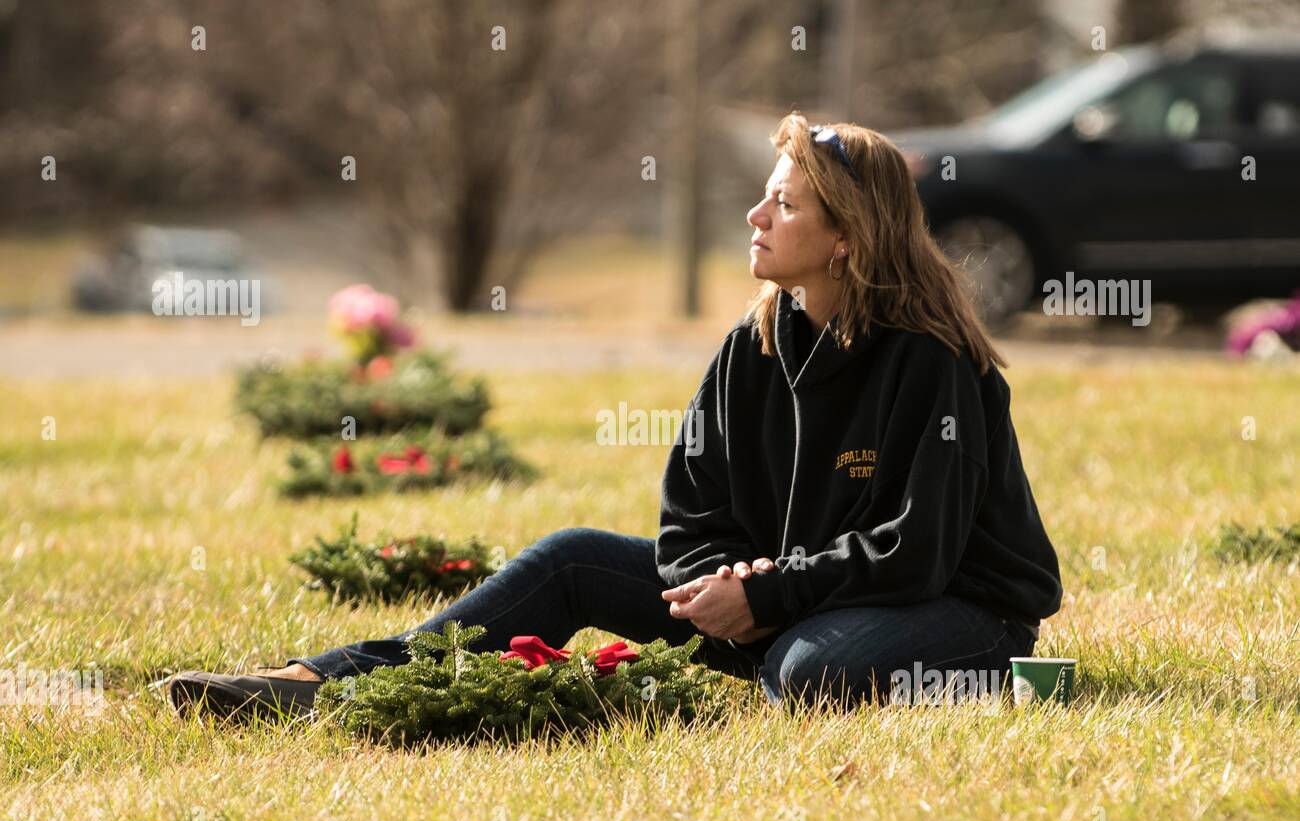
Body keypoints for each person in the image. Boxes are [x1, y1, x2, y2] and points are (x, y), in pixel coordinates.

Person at [168, 111, 1062, 719]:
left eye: (783, 205)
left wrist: (764, 596)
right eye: (765, 194)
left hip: (958, 608)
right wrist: (717, 585)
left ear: (846, 238)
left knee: (809, 673)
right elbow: (691, 511)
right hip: (786, 602)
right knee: (571, 560)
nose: (754, 216)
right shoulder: (750, 349)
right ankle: (323, 684)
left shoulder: (931, 360)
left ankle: (1002, 682)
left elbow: (920, 550)